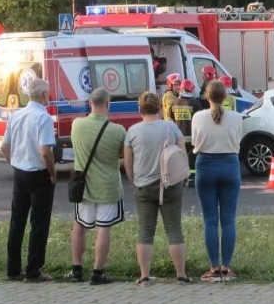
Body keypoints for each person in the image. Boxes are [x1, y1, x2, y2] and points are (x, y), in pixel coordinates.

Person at [124, 91, 191, 285]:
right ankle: (181, 274)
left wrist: (134, 180)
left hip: (143, 186)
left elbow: (128, 163)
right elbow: (181, 157)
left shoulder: (133, 131)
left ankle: (144, 275)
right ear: (160, 108)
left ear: (140, 109)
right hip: (169, 185)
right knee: (174, 229)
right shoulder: (171, 128)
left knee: (145, 230)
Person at [66, 88, 126, 285]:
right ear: (108, 104)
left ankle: (76, 269)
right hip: (107, 186)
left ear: (89, 103)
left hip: (82, 187)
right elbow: (121, 155)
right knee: (104, 228)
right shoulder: (118, 131)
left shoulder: (77, 125)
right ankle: (98, 272)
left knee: (80, 225)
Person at [1, 79, 57, 282]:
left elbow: (4, 147)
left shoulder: (16, 116)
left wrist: (14, 162)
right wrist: (52, 173)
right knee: (39, 223)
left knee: (17, 221)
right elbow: (45, 151)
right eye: (48, 94)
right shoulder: (44, 118)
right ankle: (33, 269)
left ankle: (13, 269)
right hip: (38, 174)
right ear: (43, 96)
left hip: (19, 172)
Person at [192, 79, 243, 283]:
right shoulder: (237, 117)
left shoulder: (198, 116)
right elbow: (238, 140)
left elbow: (195, 141)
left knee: (210, 219)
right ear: (226, 97)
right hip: (230, 165)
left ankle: (214, 267)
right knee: (228, 219)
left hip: (205, 165)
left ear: (206, 96)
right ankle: (227, 267)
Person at [171, 79, 203, 187]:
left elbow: (171, 117)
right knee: (192, 158)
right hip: (192, 136)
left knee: (181, 158)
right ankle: (191, 179)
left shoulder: (175, 101)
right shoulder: (194, 102)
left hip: (179, 137)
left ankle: (181, 179)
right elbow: (199, 118)